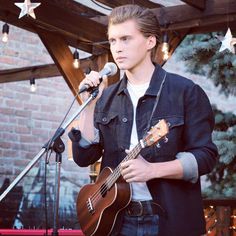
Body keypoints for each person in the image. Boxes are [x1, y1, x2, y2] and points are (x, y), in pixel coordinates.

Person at [69, 4, 218, 236]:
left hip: (168, 219)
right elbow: (84, 156)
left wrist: (153, 170)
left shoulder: (185, 91)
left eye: (126, 39)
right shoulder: (106, 97)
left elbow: (206, 157)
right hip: (117, 219)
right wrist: (89, 105)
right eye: (113, 41)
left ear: (150, 42)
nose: (117, 48)